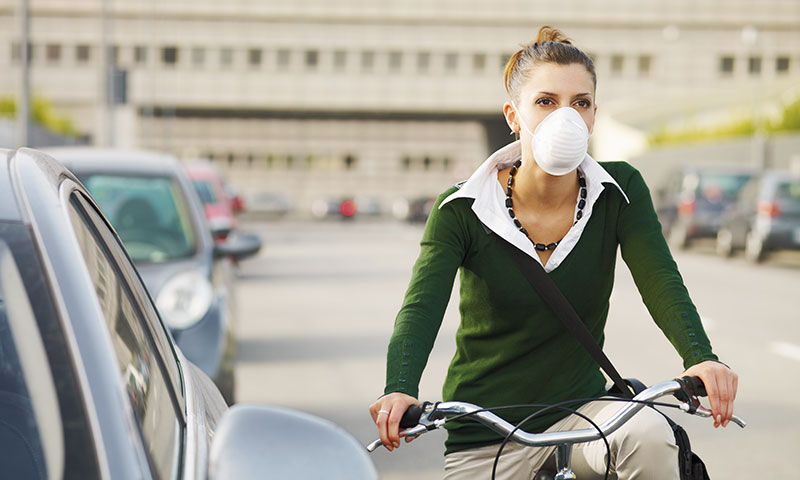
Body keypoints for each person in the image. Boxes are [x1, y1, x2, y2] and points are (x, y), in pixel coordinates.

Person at [369, 26, 739, 479]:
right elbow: (421, 308)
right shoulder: (463, 208)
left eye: (580, 103)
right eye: (546, 102)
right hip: (487, 428)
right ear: (513, 115)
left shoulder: (619, 192)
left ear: (593, 115)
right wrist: (400, 389)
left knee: (648, 433)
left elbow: (660, 279)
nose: (565, 116)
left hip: (588, 415)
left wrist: (700, 356)